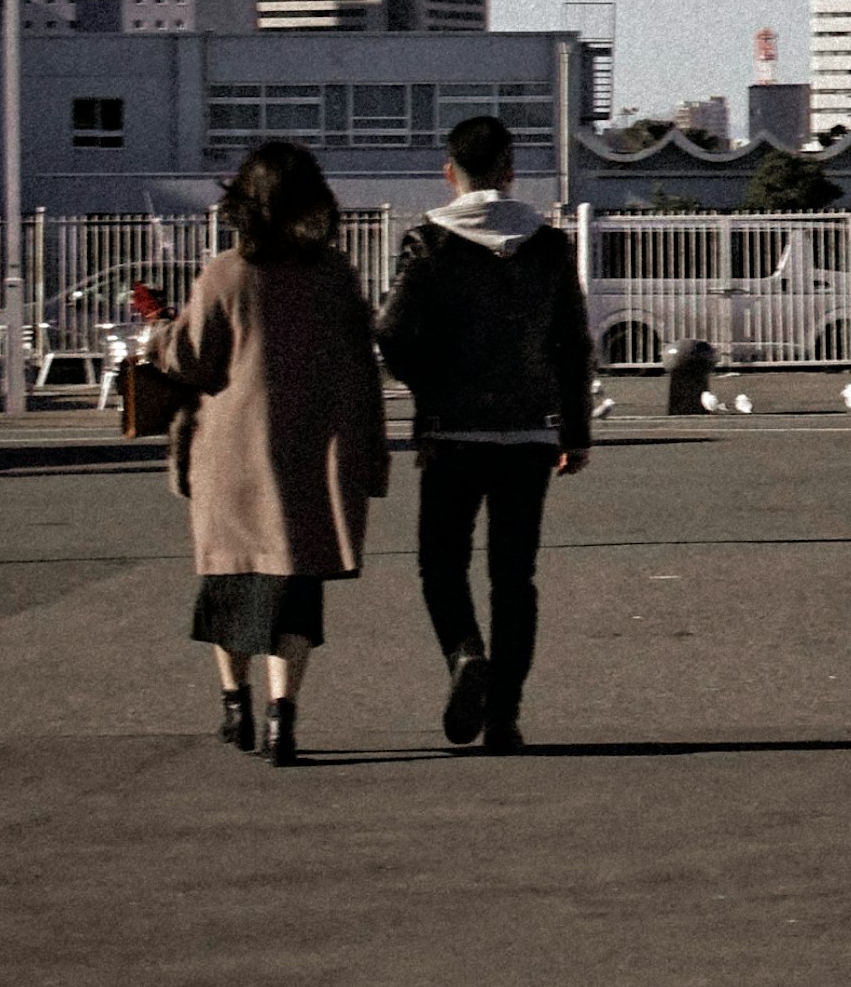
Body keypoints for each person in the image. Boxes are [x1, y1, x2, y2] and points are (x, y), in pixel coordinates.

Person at [157, 140, 388, 766]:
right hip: (311, 455)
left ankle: (235, 704)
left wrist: (160, 332)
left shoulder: (224, 274)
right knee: (294, 591)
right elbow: (361, 366)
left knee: (228, 581)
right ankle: (284, 717)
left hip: (230, 455)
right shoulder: (335, 276)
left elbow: (189, 360)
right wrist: (372, 451)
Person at [376, 114, 594, 754]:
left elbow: (390, 332)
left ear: (450, 175)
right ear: (510, 171)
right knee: (514, 576)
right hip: (530, 431)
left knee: (441, 563)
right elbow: (572, 345)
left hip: (453, 430)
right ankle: (504, 715)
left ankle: (465, 654)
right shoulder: (550, 245)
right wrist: (574, 430)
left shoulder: (428, 242)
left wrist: (430, 385)